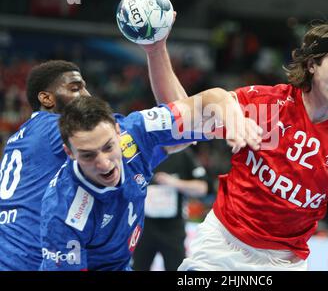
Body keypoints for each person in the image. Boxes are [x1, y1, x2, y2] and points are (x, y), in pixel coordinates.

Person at [177, 20, 328, 271]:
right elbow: (181, 116)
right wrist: (157, 51)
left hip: (284, 263)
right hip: (221, 246)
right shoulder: (265, 106)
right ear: (312, 64)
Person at [0, 28, 189, 270]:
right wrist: (156, 50)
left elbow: (177, 139)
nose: (87, 95)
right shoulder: (64, 128)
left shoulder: (21, 137)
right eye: (75, 88)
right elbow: (180, 127)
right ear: (47, 99)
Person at [39, 91, 262, 270]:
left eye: (108, 147)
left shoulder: (136, 130)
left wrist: (235, 122)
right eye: (88, 155)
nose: (105, 163)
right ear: (69, 153)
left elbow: (212, 99)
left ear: (118, 131)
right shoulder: (64, 213)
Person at [132, 148, 209, 271]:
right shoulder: (141, 151)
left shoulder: (183, 154)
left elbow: (202, 188)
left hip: (173, 229)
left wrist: (175, 182)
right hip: (143, 227)